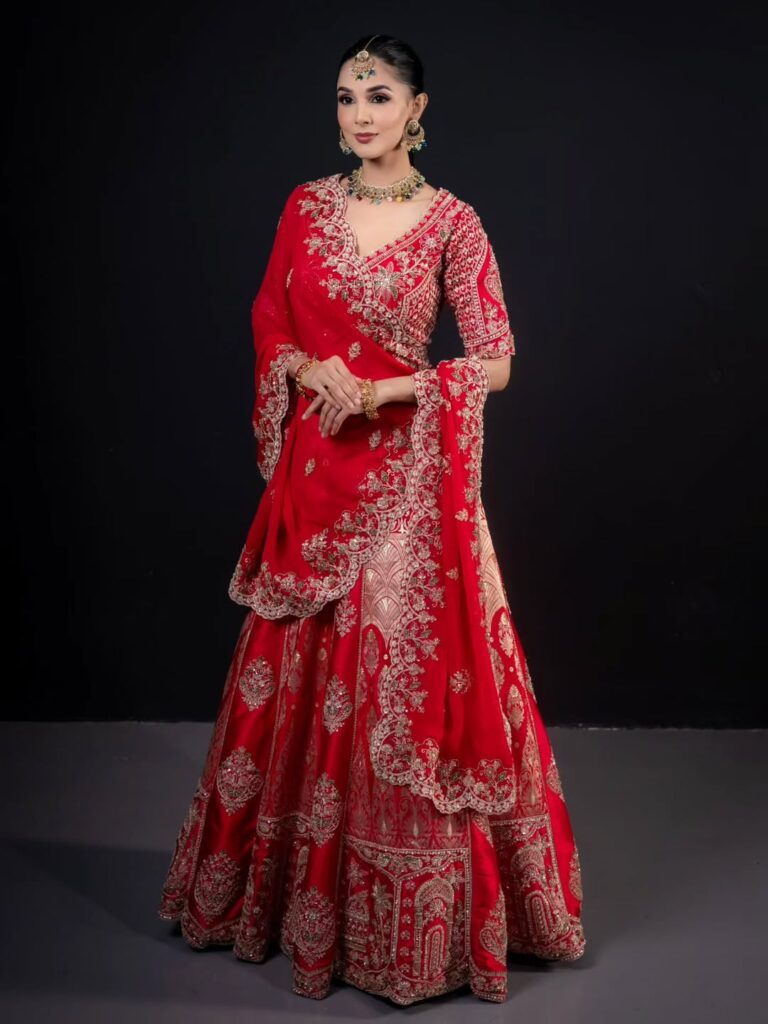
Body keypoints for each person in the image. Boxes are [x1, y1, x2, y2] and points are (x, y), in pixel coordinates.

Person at [157, 33, 586, 1006]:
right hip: (317, 479)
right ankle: (289, 906)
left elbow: (495, 360)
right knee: (303, 678)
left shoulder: (453, 223)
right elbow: (272, 321)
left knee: (405, 685)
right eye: (347, 96)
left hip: (410, 482)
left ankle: (415, 941)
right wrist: (310, 371)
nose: (360, 113)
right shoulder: (305, 209)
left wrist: (387, 388)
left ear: (417, 110)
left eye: (379, 95)